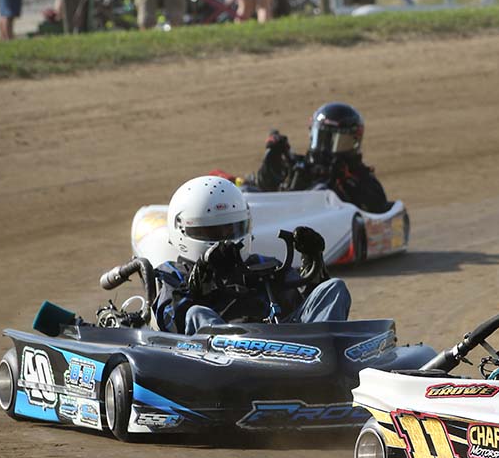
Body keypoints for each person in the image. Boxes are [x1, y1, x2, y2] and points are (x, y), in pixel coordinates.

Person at [153, 175, 352, 334]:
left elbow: (300, 308)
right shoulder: (173, 274)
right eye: (213, 232)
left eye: (232, 229)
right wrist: (197, 289)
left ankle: (322, 362)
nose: (226, 240)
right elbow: (170, 324)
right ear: (181, 230)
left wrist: (314, 269)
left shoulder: (263, 264)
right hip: (220, 356)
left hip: (283, 347)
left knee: (333, 288)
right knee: (197, 313)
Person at [248, 102, 390, 213]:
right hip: (284, 223)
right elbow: (265, 188)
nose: (325, 147)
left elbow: (377, 208)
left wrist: (342, 182)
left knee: (321, 189)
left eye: (336, 141)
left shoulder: (360, 178)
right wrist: (272, 158)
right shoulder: (300, 167)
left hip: (329, 228)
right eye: (322, 138)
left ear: (354, 141)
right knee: (245, 190)